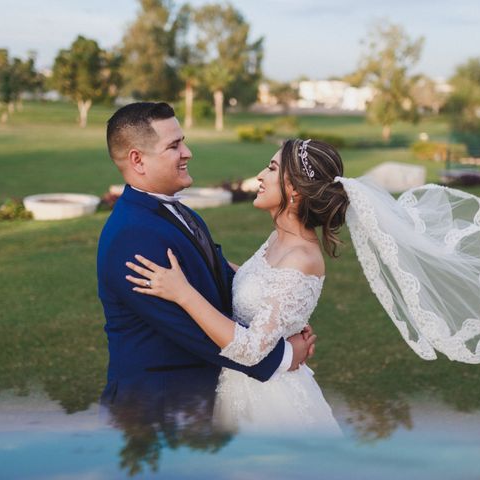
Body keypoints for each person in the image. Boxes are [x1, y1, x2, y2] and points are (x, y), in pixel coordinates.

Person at [126, 136, 480, 431]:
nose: (259, 176)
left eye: (270, 168)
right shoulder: (279, 240)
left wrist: (182, 293)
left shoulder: (302, 257)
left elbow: (251, 350)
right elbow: (254, 284)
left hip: (269, 406)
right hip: (242, 393)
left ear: (293, 190)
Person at [97, 102, 316, 432]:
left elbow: (222, 280)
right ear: (137, 160)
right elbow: (193, 330)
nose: (187, 152)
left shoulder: (180, 212)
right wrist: (284, 356)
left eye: (183, 141)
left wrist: (284, 309)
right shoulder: (133, 235)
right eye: (174, 146)